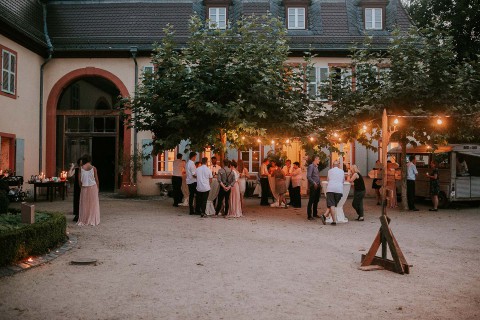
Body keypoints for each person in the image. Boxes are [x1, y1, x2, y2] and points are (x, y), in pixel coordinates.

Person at [77, 154, 100, 226]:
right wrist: (98, 188)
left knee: (84, 204)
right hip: (93, 187)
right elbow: (96, 179)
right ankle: (92, 219)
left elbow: (79, 180)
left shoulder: (81, 168)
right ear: (89, 160)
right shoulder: (93, 168)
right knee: (93, 204)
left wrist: (81, 187)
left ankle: (84, 219)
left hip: (84, 187)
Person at [321, 160, 344, 226]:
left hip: (330, 189)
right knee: (333, 205)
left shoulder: (330, 171)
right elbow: (343, 181)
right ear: (338, 165)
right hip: (339, 190)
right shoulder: (342, 171)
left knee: (332, 205)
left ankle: (328, 217)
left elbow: (328, 180)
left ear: (333, 165)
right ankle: (331, 219)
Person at [306, 156, 321, 220]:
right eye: (318, 159)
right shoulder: (311, 166)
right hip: (313, 186)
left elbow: (316, 176)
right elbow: (308, 176)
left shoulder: (316, 167)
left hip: (318, 185)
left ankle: (315, 214)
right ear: (315, 159)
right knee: (311, 200)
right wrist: (314, 183)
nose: (319, 160)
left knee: (316, 200)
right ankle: (309, 215)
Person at [68, 157, 82, 222]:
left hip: (83, 186)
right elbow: (69, 175)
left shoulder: (85, 169)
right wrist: (72, 167)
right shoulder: (76, 169)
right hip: (77, 186)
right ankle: (77, 214)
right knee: (77, 199)